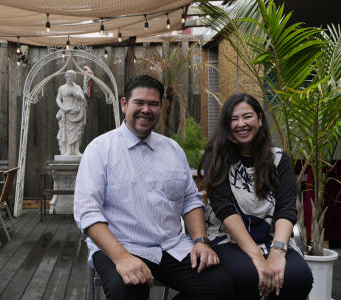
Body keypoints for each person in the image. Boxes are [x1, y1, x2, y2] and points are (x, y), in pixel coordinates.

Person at [74, 75, 233, 300]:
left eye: (153, 104)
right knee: (125, 294)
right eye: (139, 102)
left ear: (160, 107)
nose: (146, 110)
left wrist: (200, 240)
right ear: (124, 104)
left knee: (220, 287)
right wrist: (121, 257)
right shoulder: (100, 149)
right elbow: (87, 213)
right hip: (121, 245)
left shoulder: (173, 150)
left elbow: (191, 199)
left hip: (172, 246)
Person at [198, 93, 313, 300]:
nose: (241, 124)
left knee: (298, 276)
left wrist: (277, 252)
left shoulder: (279, 159)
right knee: (249, 275)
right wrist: (259, 258)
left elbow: (286, 208)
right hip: (229, 239)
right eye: (233, 119)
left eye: (247, 116)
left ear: (259, 120)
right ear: (226, 124)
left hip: (271, 238)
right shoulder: (215, 158)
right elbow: (225, 210)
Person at [56, 69, 87, 156]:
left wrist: (74, 93)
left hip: (77, 112)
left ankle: (76, 151)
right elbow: (58, 99)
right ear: (65, 77)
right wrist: (62, 107)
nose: (70, 78)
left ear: (74, 78)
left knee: (78, 131)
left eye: (72, 77)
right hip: (67, 112)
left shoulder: (77, 87)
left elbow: (82, 98)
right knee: (67, 132)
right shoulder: (62, 88)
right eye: (68, 77)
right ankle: (68, 151)